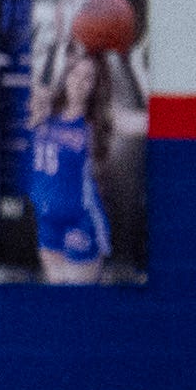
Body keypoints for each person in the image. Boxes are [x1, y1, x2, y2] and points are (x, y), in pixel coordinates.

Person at [22, 34, 125, 285]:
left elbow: (137, 121)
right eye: (74, 74)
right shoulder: (43, 111)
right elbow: (39, 82)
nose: (79, 82)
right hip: (47, 218)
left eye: (87, 77)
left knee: (80, 304)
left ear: (94, 85)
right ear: (64, 76)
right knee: (58, 304)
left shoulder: (95, 123)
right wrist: (61, 34)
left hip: (81, 219)